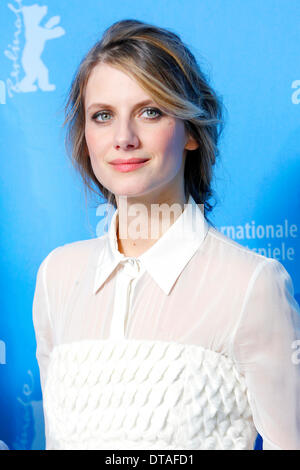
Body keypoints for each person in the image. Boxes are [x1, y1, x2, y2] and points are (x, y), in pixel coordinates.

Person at [32, 19, 300, 450]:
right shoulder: (57, 277)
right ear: (86, 135)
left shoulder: (251, 284)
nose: (124, 138)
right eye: (103, 116)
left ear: (191, 130)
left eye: (150, 111)